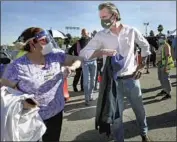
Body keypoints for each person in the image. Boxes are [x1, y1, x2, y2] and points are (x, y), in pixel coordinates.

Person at [79, 2, 151, 142]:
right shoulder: (100, 36)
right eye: (100, 17)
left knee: (139, 110)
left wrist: (141, 66)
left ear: (115, 15)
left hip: (132, 79)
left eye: (105, 16)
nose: (102, 20)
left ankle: (144, 133)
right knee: (116, 117)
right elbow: (83, 52)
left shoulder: (131, 31)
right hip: (113, 82)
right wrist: (101, 51)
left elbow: (145, 46)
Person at [1, 27, 82, 142]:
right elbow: (4, 92)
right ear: (32, 43)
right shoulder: (16, 67)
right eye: (44, 40)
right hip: (32, 119)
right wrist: (23, 102)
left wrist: (72, 67)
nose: (49, 43)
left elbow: (77, 59)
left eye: (49, 39)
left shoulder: (55, 56)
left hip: (56, 113)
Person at [80, 29, 97, 105]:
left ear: (88, 33)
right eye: (83, 33)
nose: (84, 34)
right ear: (81, 34)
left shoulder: (93, 40)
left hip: (94, 61)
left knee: (93, 80)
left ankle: (90, 95)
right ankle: (86, 99)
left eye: (85, 33)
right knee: (86, 81)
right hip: (85, 62)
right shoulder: (79, 42)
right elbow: (74, 51)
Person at [156, 36, 174, 100]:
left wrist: (166, 66)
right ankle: (164, 90)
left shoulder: (166, 45)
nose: (159, 39)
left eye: (161, 38)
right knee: (161, 78)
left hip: (164, 64)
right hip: (160, 64)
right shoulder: (161, 45)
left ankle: (168, 93)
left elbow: (167, 56)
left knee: (166, 79)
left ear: (165, 39)